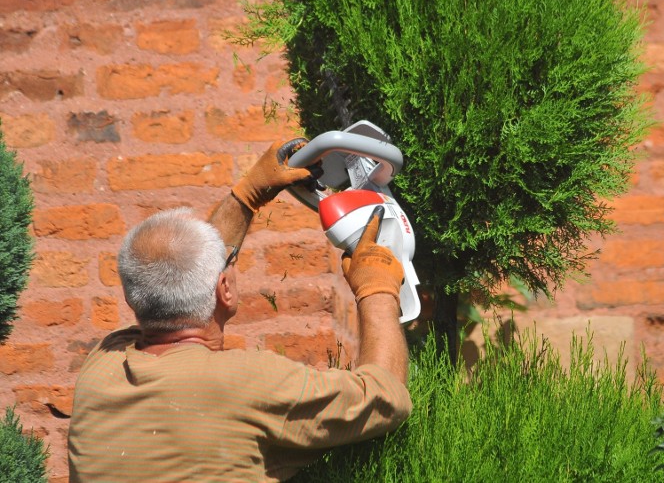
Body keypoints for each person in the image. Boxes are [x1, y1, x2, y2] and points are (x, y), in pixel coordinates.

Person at [67, 138, 412, 481]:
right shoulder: (249, 384)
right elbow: (384, 398)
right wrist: (377, 288)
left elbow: (179, 273)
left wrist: (248, 194)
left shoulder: (101, 366)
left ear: (132, 298)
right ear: (225, 290)